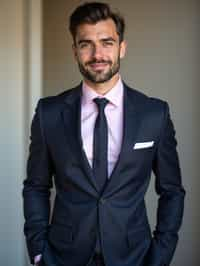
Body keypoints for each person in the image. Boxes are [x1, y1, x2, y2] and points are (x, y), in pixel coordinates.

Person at [23, 2, 185, 266]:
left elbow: (172, 191)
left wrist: (160, 256)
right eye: (86, 44)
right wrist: (39, 251)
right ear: (75, 51)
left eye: (107, 42)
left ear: (122, 47)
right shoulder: (48, 113)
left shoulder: (154, 114)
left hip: (134, 256)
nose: (97, 54)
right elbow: (36, 187)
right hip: (63, 257)